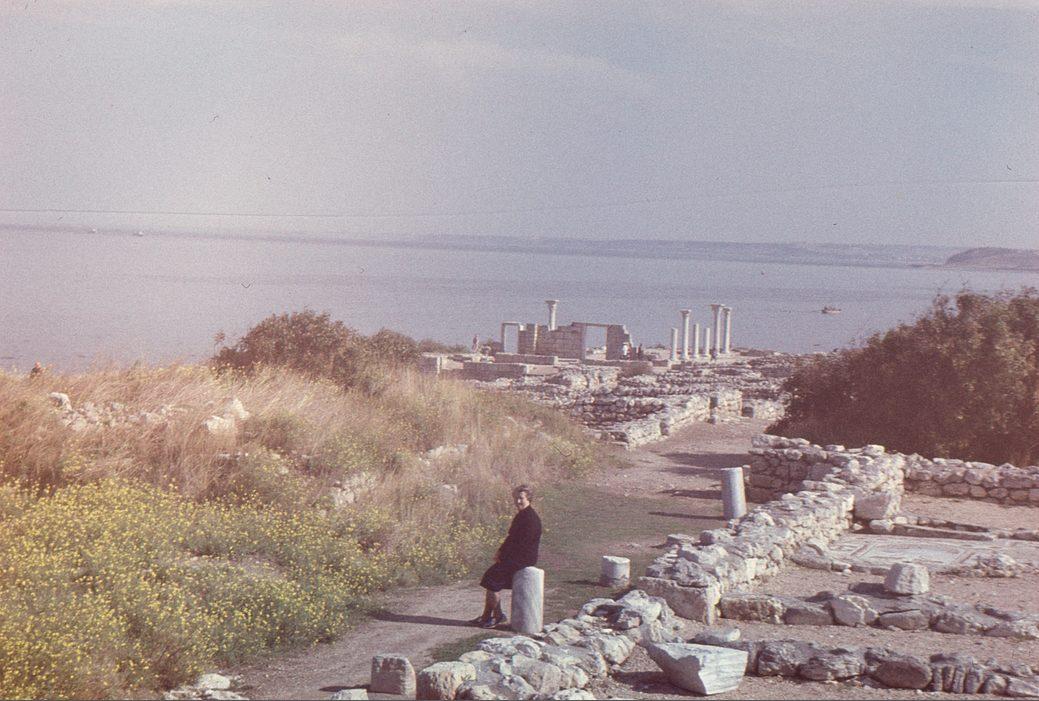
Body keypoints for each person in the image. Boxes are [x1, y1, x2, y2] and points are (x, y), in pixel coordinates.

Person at [471, 485, 542, 628]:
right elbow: (511, 538)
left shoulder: (530, 518)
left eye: (521, 498)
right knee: (491, 580)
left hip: (522, 559)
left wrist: (503, 557)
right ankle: (487, 617)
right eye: (516, 498)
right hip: (516, 557)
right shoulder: (523, 515)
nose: (518, 501)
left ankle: (497, 617)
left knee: (491, 580)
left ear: (529, 499)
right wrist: (500, 552)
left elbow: (521, 544)